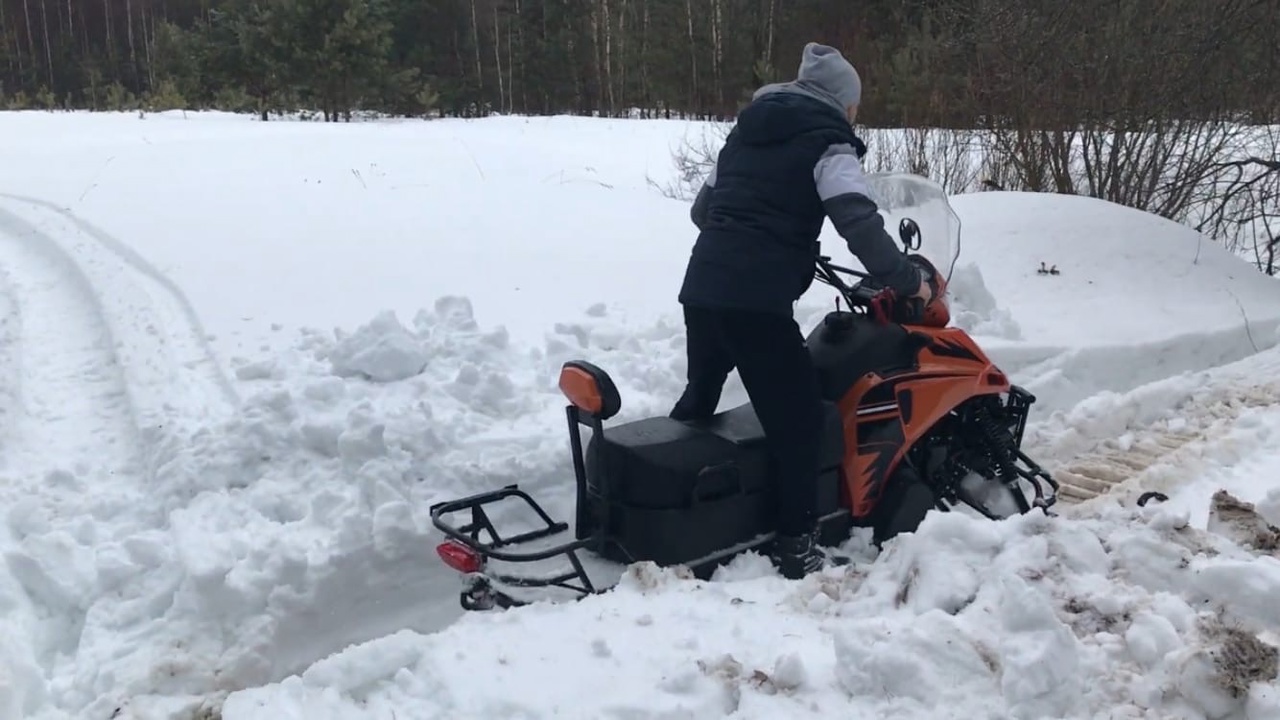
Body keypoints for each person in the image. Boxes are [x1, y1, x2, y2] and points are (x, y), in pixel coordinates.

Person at [671, 42, 937, 580]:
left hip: (702, 288)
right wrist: (909, 280)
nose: (855, 115)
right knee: (801, 424)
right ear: (843, 102)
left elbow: (704, 211)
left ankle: (677, 513)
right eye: (855, 106)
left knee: (699, 401)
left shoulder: (745, 135)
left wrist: (771, 235)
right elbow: (857, 221)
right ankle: (797, 544)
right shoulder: (829, 141)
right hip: (755, 302)